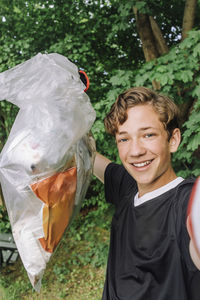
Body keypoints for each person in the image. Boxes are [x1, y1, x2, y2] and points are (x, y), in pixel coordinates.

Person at [93, 87, 200, 300]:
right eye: (124, 139)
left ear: (173, 140)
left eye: (148, 134)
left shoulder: (186, 203)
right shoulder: (127, 187)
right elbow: (87, 155)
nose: (135, 151)